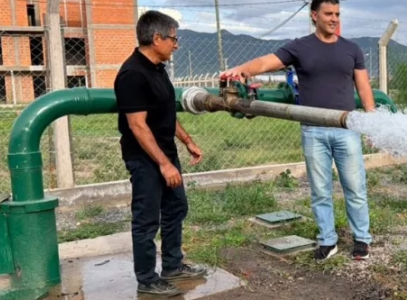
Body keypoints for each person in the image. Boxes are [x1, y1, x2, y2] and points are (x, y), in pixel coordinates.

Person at [220, 0, 376, 261]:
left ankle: (362, 239)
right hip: (313, 131)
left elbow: (364, 88)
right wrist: (241, 70)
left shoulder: (352, 49)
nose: (334, 19)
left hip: (346, 129)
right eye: (328, 14)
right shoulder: (299, 47)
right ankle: (328, 241)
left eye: (337, 14)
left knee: (355, 188)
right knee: (320, 190)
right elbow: (266, 62)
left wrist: (371, 123)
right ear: (314, 16)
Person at [115, 10, 207, 296]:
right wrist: (165, 165)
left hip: (166, 154)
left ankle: (172, 265)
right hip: (145, 159)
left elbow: (165, 112)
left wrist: (186, 140)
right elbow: (138, 126)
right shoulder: (132, 74)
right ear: (156, 38)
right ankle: (147, 279)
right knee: (146, 220)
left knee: (176, 208)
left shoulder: (157, 69)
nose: (176, 44)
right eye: (173, 38)